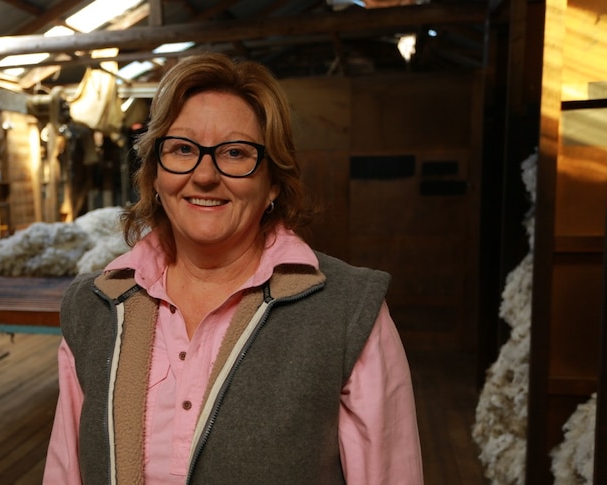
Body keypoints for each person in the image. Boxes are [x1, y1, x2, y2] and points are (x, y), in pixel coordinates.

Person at [43, 52, 423, 484]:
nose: (204, 175)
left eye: (236, 152)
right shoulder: (93, 308)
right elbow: (65, 473)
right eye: (182, 149)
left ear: (274, 181)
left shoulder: (349, 313)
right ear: (154, 174)